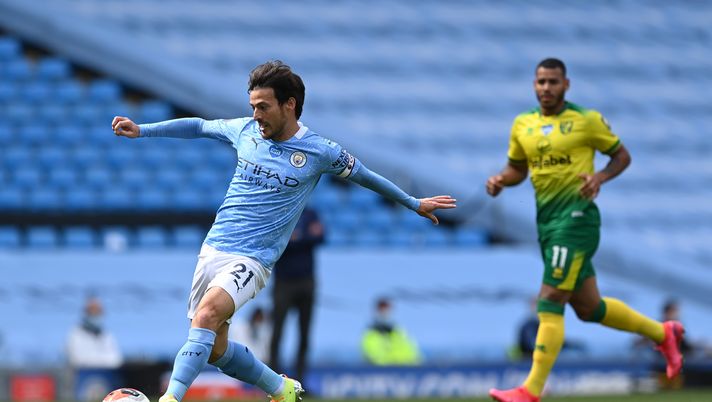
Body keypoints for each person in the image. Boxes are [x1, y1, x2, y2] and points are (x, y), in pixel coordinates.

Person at [111, 60, 456, 402]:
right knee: (215, 349)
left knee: (207, 315)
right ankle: (281, 389)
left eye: (263, 107)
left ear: (289, 105)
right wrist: (143, 130)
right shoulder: (244, 130)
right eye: (253, 106)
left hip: (253, 259)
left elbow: (366, 176)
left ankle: (170, 399)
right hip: (213, 249)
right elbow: (200, 126)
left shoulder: (320, 151)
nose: (256, 115)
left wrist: (413, 202)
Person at [485, 58, 684, 402]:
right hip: (548, 223)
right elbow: (518, 168)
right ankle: (662, 333)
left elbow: (622, 156)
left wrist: (600, 178)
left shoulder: (586, 120)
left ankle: (530, 390)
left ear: (566, 84)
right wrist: (502, 179)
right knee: (590, 308)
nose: (546, 88)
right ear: (534, 85)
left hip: (577, 220)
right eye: (541, 82)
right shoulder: (523, 124)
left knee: (550, 299)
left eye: (553, 81)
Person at [269, 207, 323, 382]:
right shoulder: (279, 212)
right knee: (277, 332)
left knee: (305, 333)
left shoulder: (310, 213)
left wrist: (294, 238)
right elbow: (276, 242)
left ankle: (301, 380)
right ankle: (273, 381)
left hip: (306, 282)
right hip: (283, 283)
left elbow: (320, 237)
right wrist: (305, 238)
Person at [66, 296, 123, 369]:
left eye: (98, 311)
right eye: (92, 310)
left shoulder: (107, 336)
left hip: (107, 374)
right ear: (85, 312)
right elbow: (77, 359)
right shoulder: (75, 335)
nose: (95, 314)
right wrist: (102, 360)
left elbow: (116, 359)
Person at [361, 297, 421, 366]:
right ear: (376, 312)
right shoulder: (370, 334)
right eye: (382, 310)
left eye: (386, 310)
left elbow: (412, 353)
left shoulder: (398, 332)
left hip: (403, 368)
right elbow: (374, 357)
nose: (384, 313)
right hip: (383, 370)